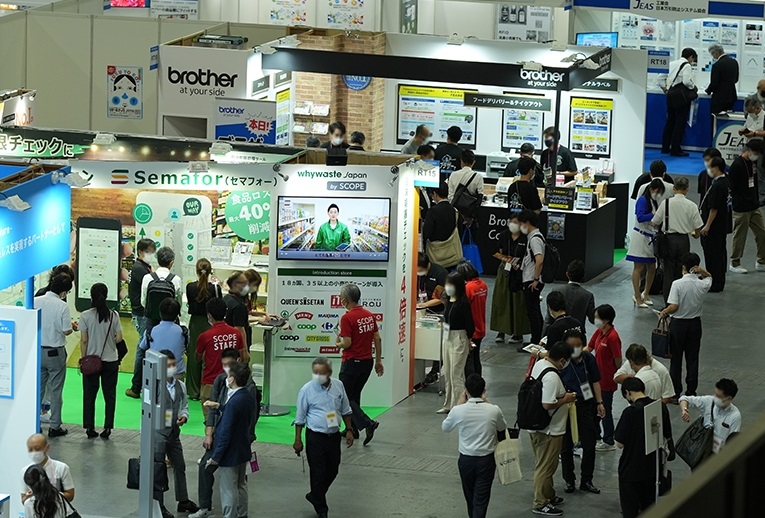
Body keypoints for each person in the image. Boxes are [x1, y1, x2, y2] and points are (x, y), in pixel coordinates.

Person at [193, 349, 260, 518]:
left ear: (233, 378)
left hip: (229, 452)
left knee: (228, 489)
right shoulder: (246, 396)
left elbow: (226, 433)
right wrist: (219, 406)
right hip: (242, 449)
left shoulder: (235, 400)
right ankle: (242, 514)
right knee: (240, 485)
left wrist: (216, 457)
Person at [293, 357, 355, 518]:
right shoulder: (306, 390)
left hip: (333, 436)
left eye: (322, 373)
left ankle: (315, 495)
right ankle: (322, 508)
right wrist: (298, 440)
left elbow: (346, 410)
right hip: (315, 437)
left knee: (333, 469)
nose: (318, 376)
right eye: (316, 373)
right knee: (318, 472)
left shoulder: (339, 386)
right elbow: (300, 417)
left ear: (329, 372)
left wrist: (349, 430)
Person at [441, 374, 508, 518]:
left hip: (466, 460)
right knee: (481, 500)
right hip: (486, 460)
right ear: (484, 390)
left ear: (466, 391)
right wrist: (488, 403)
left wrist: (459, 404)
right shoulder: (493, 410)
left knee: (469, 497)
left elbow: (445, 427)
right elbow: (502, 427)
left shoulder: (459, 411)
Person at [528, 340, 575, 517]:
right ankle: (540, 502)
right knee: (545, 467)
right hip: (549, 430)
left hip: (538, 426)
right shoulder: (552, 377)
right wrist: (567, 398)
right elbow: (548, 404)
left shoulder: (541, 364)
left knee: (547, 464)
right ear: (562, 359)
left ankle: (549, 495)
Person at [615, 378, 673, 518]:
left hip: (631, 469)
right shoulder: (660, 407)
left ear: (627, 392)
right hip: (652, 468)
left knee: (630, 510)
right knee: (649, 507)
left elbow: (619, 443)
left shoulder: (629, 412)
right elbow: (667, 435)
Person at [557, 329, 604, 496]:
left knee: (589, 445)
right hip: (566, 407)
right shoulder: (560, 362)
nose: (576, 349)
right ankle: (569, 480)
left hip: (586, 405)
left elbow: (595, 381)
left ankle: (587, 480)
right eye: (572, 346)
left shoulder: (588, 359)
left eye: (579, 345)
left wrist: (599, 402)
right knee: (566, 446)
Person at [659, 253, 712, 399]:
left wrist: (664, 312)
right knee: (693, 358)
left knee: (676, 359)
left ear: (683, 267)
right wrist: (702, 271)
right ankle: (691, 391)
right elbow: (709, 277)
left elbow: (674, 306)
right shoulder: (703, 284)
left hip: (678, 325)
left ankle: (675, 392)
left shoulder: (677, 284)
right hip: (695, 324)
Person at [336, 284, 384, 445]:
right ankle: (352, 429)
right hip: (367, 362)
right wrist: (378, 360)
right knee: (354, 397)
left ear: (344, 300)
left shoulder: (347, 318)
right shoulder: (369, 315)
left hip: (351, 362)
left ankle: (368, 423)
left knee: (344, 396)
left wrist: (338, 344)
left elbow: (347, 343)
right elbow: (377, 338)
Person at [154, 350, 198, 518]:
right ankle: (158, 505)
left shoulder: (181, 385)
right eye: (167, 365)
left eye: (173, 364)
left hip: (174, 432)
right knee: (158, 470)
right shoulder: (155, 385)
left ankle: (183, 500)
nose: (171, 368)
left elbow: (184, 405)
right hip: (158, 433)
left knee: (180, 466)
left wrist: (184, 415)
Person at [79, 283, 123, 440]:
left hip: (91, 361)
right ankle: (108, 427)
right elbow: (119, 338)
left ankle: (90, 427)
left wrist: (83, 358)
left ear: (91, 296)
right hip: (111, 360)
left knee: (89, 395)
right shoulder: (114, 315)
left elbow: (84, 341)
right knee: (109, 395)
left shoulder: (85, 316)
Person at [651, 177, 704, 303]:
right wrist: (696, 235)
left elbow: (655, 222)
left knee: (668, 272)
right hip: (683, 241)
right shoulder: (691, 205)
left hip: (668, 240)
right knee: (683, 271)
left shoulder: (666, 203)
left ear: (674, 188)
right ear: (687, 189)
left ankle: (668, 302)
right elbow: (698, 227)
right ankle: (680, 301)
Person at [34, 274, 74, 438]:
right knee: (56, 391)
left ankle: (34, 424)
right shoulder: (62, 306)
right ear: (64, 292)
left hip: (38, 351)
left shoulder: (36, 301)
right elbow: (66, 330)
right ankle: (55, 426)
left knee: (38, 390)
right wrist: (72, 327)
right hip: (55, 353)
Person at [196, 298, 245, 417]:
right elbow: (242, 356)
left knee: (210, 421)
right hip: (232, 382)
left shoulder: (205, 336)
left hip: (210, 382)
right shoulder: (236, 334)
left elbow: (197, 358)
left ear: (209, 315)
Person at [585, 304, 622, 452]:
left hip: (606, 381)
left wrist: (613, 372)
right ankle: (596, 436)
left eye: (597, 317)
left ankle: (608, 440)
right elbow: (589, 348)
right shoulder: (599, 332)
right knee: (593, 409)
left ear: (606, 320)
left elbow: (618, 359)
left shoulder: (613, 337)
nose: (595, 320)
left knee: (605, 410)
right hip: (595, 379)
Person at [438, 272, 474, 414]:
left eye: (450, 284)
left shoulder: (464, 302)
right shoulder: (448, 300)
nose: (447, 287)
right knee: (447, 372)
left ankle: (457, 407)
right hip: (447, 337)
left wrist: (469, 340)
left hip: (459, 338)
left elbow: (470, 324)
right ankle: (448, 404)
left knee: (455, 374)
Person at [490, 213, 530, 344]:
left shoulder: (526, 238)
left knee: (518, 302)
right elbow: (496, 252)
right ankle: (501, 330)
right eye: (511, 221)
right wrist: (507, 259)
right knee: (501, 300)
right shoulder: (503, 235)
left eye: (516, 222)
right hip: (505, 271)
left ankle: (518, 333)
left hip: (519, 272)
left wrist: (519, 264)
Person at [185, 258, 221, 401]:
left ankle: (193, 391)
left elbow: (189, 303)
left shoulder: (190, 287)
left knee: (194, 356)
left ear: (196, 271)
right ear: (210, 270)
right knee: (210, 357)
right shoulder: (215, 288)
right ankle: (207, 390)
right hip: (210, 323)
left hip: (195, 323)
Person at [727, 139, 765, 274]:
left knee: (762, 232)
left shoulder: (753, 163)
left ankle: (761, 261)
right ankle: (735, 262)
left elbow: (754, 182)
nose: (757, 155)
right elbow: (731, 187)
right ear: (748, 150)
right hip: (741, 208)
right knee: (740, 236)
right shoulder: (737, 165)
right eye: (755, 152)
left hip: (754, 206)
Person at [627, 178, 664, 308]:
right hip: (640, 236)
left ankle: (646, 293)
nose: (658, 194)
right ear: (651, 189)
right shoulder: (642, 200)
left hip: (651, 237)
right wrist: (654, 215)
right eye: (657, 191)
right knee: (639, 267)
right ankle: (637, 296)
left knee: (652, 267)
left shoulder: (654, 202)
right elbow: (640, 217)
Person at [126, 237, 156, 399]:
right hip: (142, 313)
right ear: (140, 252)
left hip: (140, 312)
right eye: (148, 252)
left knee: (144, 346)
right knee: (142, 347)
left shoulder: (141, 267)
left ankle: (140, 384)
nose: (151, 255)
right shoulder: (140, 269)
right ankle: (136, 386)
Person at [679, 378, 741, 454]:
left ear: (729, 398)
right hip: (701, 448)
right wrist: (684, 410)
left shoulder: (735, 416)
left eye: (719, 396)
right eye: (715, 394)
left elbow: (733, 441)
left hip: (718, 454)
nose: (715, 398)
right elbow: (684, 399)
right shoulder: (709, 401)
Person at [416, 253, 449, 384]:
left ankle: (435, 370)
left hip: (438, 313)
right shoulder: (417, 274)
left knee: (437, 343)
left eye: (419, 269)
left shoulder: (440, 274)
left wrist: (423, 304)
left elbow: (441, 298)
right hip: (421, 311)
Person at [700, 156, 729, 292]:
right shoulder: (723, 181)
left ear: (716, 168)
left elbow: (714, 208)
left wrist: (707, 225)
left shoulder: (718, 185)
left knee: (714, 254)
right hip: (719, 226)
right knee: (716, 253)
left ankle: (715, 282)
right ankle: (714, 278)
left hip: (714, 227)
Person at [661, 48, 698, 157]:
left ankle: (665, 147)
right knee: (680, 123)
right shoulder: (687, 66)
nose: (692, 61)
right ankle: (675, 149)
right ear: (691, 56)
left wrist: (664, 88)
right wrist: (693, 87)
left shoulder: (672, 63)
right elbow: (686, 81)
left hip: (670, 95)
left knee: (670, 121)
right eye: (693, 59)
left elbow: (660, 77)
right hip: (680, 98)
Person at [139, 298, 188, 379]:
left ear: (160, 313)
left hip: (155, 374)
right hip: (177, 375)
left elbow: (142, 347)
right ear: (177, 315)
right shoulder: (183, 332)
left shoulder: (151, 331)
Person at [21, 434, 75, 504]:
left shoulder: (62, 468)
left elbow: (70, 495)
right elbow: (23, 499)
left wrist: (51, 496)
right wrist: (28, 496)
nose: (34, 452)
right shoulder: (25, 471)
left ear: (47, 448)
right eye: (30, 449)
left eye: (37, 449)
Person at [517, 210, 545, 346]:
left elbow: (539, 260)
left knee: (532, 313)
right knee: (535, 311)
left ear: (527, 223)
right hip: (532, 279)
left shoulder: (535, 239)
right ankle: (538, 339)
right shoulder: (534, 237)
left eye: (522, 223)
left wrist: (535, 279)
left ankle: (535, 341)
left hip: (532, 281)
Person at [456, 261, 488, 377]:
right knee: (476, 358)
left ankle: (471, 386)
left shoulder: (468, 288)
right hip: (481, 326)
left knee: (468, 360)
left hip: (471, 328)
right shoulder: (483, 284)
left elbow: (462, 307)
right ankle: (477, 383)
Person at [422, 182, 462, 268]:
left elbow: (427, 233)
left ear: (435, 194)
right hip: (452, 254)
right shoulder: (454, 211)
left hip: (435, 255)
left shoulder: (432, 211)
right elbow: (460, 229)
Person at [550, 260, 595, 334]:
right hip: (577, 335)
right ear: (583, 276)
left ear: (567, 274)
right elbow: (592, 319)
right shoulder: (588, 296)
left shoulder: (556, 290)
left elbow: (549, 319)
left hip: (559, 333)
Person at [740, 98, 765, 206]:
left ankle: (761, 197)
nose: (749, 114)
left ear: (758, 108)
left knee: (759, 172)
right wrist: (743, 130)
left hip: (760, 146)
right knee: (742, 167)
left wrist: (754, 133)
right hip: (748, 144)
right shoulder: (750, 115)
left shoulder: (764, 116)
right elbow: (746, 125)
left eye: (751, 111)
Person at [223, 271, 252, 362]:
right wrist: (244, 351)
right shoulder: (238, 306)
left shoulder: (227, 298)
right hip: (237, 348)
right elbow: (239, 330)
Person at [706, 44, 739, 114]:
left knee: (716, 119)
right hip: (731, 96)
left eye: (712, 54)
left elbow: (714, 83)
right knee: (726, 121)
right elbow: (736, 79)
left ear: (716, 53)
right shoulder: (734, 62)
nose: (713, 57)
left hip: (719, 98)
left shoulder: (717, 65)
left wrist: (708, 91)